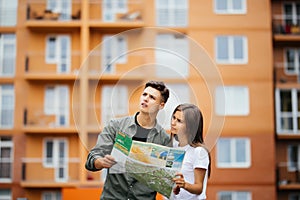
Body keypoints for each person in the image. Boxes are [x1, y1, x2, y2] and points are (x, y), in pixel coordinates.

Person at [85, 80, 170, 200]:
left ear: (161, 105)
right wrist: (101, 162)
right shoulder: (116, 126)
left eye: (152, 97)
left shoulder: (164, 140)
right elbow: (92, 158)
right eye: (144, 94)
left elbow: (165, 178)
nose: (145, 99)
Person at [169, 103, 211, 200]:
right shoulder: (173, 147)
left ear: (190, 126)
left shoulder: (199, 152)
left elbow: (199, 187)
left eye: (179, 121)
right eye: (173, 117)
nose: (173, 123)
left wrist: (184, 185)